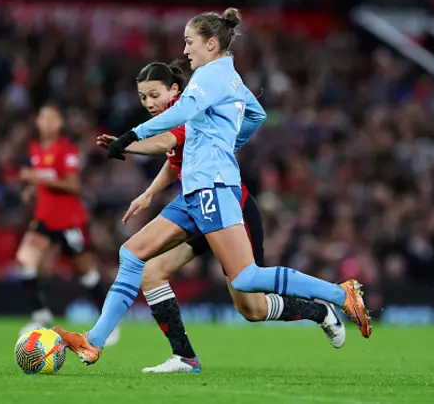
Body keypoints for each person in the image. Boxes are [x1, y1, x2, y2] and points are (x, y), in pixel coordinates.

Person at [56, 7, 370, 366]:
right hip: (196, 191)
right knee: (132, 254)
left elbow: (182, 114)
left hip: (214, 188)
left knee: (249, 280)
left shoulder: (210, 76)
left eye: (190, 42)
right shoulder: (230, 78)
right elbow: (256, 116)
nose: (186, 50)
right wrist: (228, 143)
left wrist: (132, 134)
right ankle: (94, 340)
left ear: (211, 43)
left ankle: (340, 294)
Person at [92, 59, 345, 373]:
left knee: (251, 307)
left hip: (230, 207)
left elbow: (166, 142)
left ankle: (321, 309)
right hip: (198, 204)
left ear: (174, 89)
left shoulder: (190, 110)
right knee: (149, 269)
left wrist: (129, 145)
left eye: (154, 95)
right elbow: (175, 160)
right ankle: (183, 356)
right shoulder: (173, 116)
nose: (149, 103)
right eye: (143, 97)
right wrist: (149, 194)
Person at [16, 103, 119, 346]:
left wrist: (35, 178)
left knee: (86, 272)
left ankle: (109, 322)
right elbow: (46, 180)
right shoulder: (34, 148)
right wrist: (32, 189)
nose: (48, 123)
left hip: (68, 220)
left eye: (53, 118)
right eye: (44, 118)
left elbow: (73, 185)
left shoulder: (67, 150)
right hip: (43, 218)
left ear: (60, 124)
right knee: (25, 258)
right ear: (38, 123)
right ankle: (40, 316)